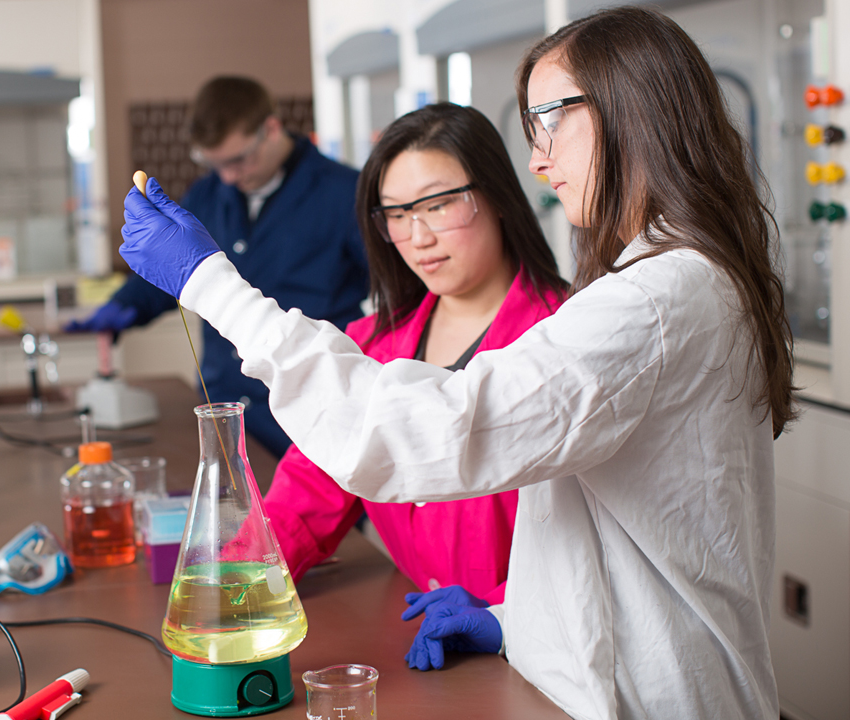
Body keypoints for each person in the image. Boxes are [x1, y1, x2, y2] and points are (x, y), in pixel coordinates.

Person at [118, 6, 795, 719]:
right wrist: (511, 618)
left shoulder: (653, 301)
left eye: (551, 120)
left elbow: (437, 428)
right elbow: (624, 550)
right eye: (396, 214)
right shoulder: (668, 284)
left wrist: (210, 285)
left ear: (636, 109)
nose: (539, 159)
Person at [259, 103, 567, 671]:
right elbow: (310, 488)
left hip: (543, 656)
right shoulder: (375, 343)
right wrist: (241, 574)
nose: (417, 236)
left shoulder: (565, 337)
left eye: (439, 203)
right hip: (422, 653)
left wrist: (506, 616)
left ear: (497, 194)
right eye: (397, 213)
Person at [68, 76, 369, 457]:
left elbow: (395, 296)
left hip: (310, 413)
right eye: (213, 163)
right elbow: (177, 273)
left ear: (271, 129)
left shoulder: (345, 193)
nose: (227, 175)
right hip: (224, 411)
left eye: (238, 159)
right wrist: (123, 308)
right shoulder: (208, 194)